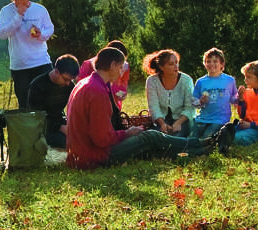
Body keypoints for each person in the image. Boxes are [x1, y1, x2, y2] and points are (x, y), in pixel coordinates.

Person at [65, 46, 218, 169]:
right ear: (112, 65)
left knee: (151, 143)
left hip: (81, 152)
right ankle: (202, 145)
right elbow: (101, 139)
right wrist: (126, 134)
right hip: (94, 157)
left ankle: (201, 145)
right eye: (120, 68)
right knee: (150, 137)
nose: (120, 73)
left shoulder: (85, 84)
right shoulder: (96, 91)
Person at [0, 0, 55, 111]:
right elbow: (2, 34)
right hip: (20, 66)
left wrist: (40, 34)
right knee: (25, 103)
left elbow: (50, 29)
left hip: (41, 62)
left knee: (49, 99)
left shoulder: (39, 9)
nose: (25, 3)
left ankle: (51, 129)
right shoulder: (6, 11)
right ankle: (28, 130)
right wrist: (18, 16)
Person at [27, 54, 79, 148]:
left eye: (71, 80)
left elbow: (77, 109)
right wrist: (60, 128)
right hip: (42, 128)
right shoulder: (37, 86)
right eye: (66, 79)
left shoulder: (70, 86)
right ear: (56, 71)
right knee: (65, 142)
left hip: (61, 121)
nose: (68, 83)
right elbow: (36, 118)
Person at [142, 48, 195, 136]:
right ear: (161, 67)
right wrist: (162, 124)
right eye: (171, 64)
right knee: (157, 136)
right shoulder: (152, 81)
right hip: (161, 120)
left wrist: (178, 123)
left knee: (178, 137)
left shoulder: (186, 80)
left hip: (182, 119)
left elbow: (190, 107)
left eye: (176, 62)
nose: (176, 66)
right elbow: (153, 107)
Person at [192, 47, 238, 141]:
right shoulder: (201, 81)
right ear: (204, 64)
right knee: (192, 139)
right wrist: (200, 101)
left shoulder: (229, 80)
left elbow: (233, 99)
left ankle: (204, 149)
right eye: (208, 61)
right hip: (202, 118)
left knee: (206, 138)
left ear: (222, 64)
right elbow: (194, 102)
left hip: (220, 119)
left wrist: (240, 97)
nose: (211, 64)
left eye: (215, 61)